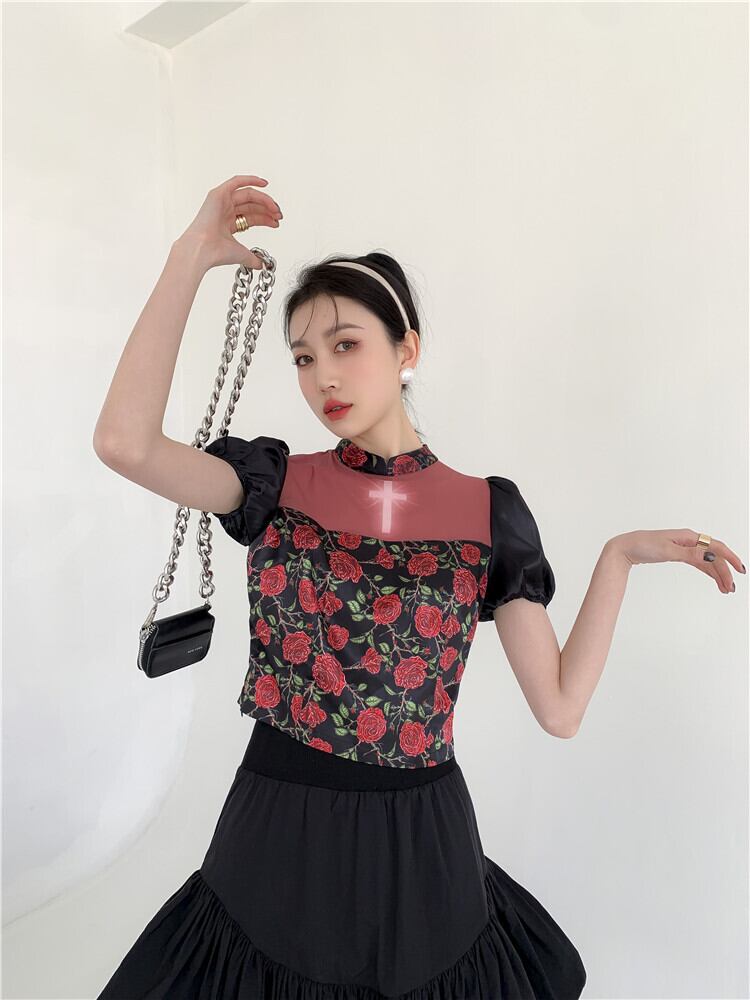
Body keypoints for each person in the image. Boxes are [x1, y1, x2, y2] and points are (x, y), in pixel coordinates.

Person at [92, 174, 744, 999]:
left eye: (345, 345)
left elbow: (560, 709)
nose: (322, 377)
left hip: (422, 848)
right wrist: (191, 253)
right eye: (303, 357)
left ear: (408, 350)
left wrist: (617, 557)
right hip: (278, 832)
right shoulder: (274, 483)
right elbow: (124, 443)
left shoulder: (487, 513)